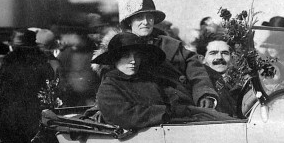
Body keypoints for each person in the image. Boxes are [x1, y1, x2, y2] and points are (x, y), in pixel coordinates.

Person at [93, 33, 231, 129]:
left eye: (137, 56)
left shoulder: (148, 79)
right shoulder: (109, 87)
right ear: (114, 59)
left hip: (178, 125)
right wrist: (169, 112)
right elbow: (125, 115)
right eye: (125, 56)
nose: (133, 61)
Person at [120, 0, 218, 109]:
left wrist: (204, 94)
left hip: (181, 106)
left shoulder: (171, 45)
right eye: (139, 18)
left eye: (149, 17)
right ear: (129, 22)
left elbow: (196, 71)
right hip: (143, 110)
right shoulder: (119, 48)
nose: (145, 22)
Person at [0, 29, 56, 143]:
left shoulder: (10, 59)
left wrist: (5, 105)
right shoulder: (41, 59)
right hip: (33, 114)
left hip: (11, 114)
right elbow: (49, 87)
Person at [194, 30, 243, 117]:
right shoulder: (200, 86)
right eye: (213, 53)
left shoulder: (238, 82)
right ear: (202, 59)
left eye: (224, 53)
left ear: (231, 57)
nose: (219, 57)